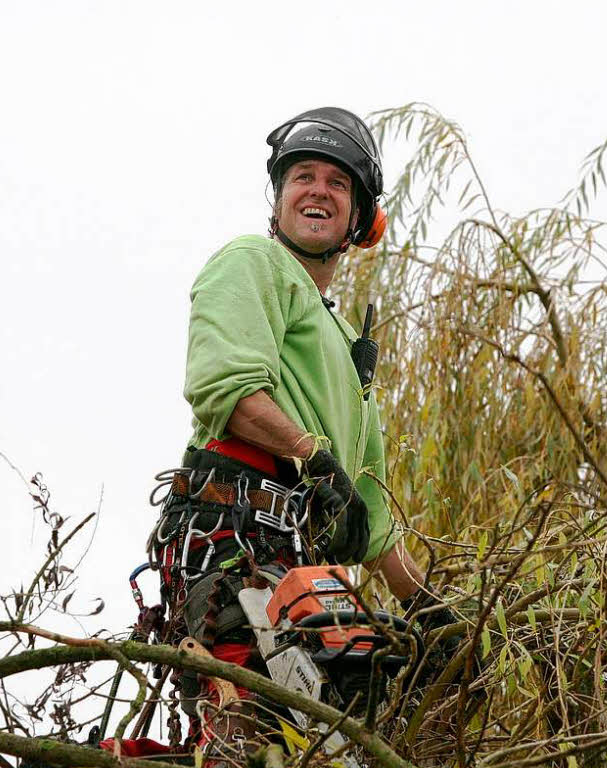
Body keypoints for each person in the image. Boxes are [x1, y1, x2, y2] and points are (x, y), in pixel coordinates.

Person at [146, 107, 447, 763]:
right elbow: (226, 390)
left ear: (363, 217)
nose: (317, 190)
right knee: (242, 729)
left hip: (307, 558)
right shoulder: (251, 262)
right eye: (302, 177)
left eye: (337, 183)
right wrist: (312, 455)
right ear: (278, 200)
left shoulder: (348, 347)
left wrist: (427, 609)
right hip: (233, 532)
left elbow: (366, 510)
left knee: (322, 744)